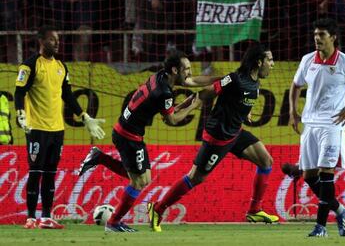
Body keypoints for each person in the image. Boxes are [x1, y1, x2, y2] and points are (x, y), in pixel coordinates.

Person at [146, 43, 279, 232]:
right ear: (259, 62)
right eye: (270, 60)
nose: (272, 64)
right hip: (218, 136)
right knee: (195, 178)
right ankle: (157, 209)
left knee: (266, 161)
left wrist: (245, 113)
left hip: (235, 132)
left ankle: (255, 210)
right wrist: (183, 108)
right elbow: (207, 92)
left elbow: (242, 101)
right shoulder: (234, 79)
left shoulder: (255, 82)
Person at [78, 51, 210, 232]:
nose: (189, 72)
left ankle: (99, 157)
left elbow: (173, 102)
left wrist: (214, 84)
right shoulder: (164, 92)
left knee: (143, 178)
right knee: (139, 182)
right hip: (128, 136)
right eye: (186, 69)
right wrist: (193, 106)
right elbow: (171, 120)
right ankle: (114, 222)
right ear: (174, 70)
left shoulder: (160, 76)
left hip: (128, 132)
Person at [289, 18, 345, 237]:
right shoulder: (307, 60)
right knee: (309, 176)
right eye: (316, 34)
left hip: (332, 125)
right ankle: (340, 209)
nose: (317, 38)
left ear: (333, 37)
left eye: (322, 35)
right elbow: (296, 85)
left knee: (327, 175)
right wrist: (292, 111)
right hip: (310, 124)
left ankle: (321, 227)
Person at [14, 25, 106, 229]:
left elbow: (68, 95)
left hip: (57, 129)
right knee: (35, 172)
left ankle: (46, 217)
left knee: (50, 174)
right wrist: (20, 113)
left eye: (57, 39)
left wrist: (84, 116)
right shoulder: (30, 65)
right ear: (41, 41)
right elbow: (19, 92)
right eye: (52, 39)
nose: (56, 43)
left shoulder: (61, 67)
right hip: (37, 128)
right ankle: (30, 218)